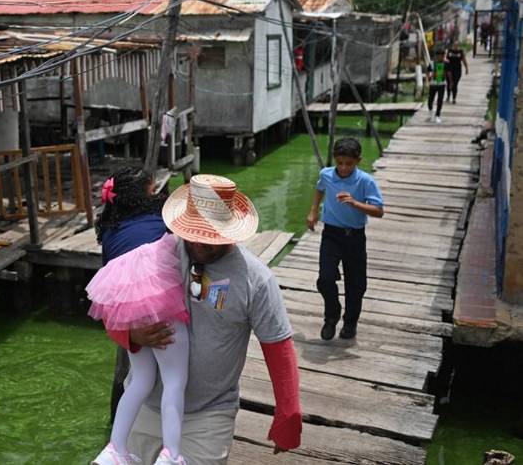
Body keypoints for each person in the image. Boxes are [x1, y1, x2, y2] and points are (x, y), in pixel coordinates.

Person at [109, 174, 302, 464]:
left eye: (209, 235)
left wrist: (288, 415)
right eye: (194, 233)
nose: (200, 242)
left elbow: (278, 347)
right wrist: (131, 336)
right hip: (146, 407)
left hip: (209, 414)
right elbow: (112, 313)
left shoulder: (257, 280)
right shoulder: (156, 255)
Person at [88, 231, 189, 465]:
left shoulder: (116, 231)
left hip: (129, 303)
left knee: (140, 381)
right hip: (162, 301)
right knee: (174, 382)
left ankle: (116, 449)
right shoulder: (167, 230)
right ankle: (171, 455)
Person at [93, 168, 170, 453]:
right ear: (144, 195)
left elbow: (108, 287)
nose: (160, 194)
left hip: (127, 319)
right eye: (154, 190)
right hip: (164, 313)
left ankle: (115, 443)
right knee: (169, 382)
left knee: (134, 382)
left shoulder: (110, 232)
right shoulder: (161, 220)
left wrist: (128, 334)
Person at [306, 138, 384, 340]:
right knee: (324, 279)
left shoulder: (365, 181)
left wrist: (355, 203)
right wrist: (313, 211)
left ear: (358, 160)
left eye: (349, 163)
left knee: (356, 285)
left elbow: (378, 211)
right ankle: (331, 316)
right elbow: (320, 189)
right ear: (335, 160)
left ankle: (350, 323)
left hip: (355, 237)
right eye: (340, 162)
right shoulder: (326, 174)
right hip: (331, 235)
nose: (344, 167)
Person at [426, 50, 450, 124]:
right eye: (441, 56)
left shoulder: (446, 63)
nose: (443, 57)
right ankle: (430, 114)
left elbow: (448, 73)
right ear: (437, 56)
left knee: (440, 99)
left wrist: (450, 82)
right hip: (433, 84)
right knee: (430, 100)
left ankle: (437, 115)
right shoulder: (432, 63)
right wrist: (427, 80)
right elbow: (427, 72)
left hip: (441, 84)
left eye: (444, 56)